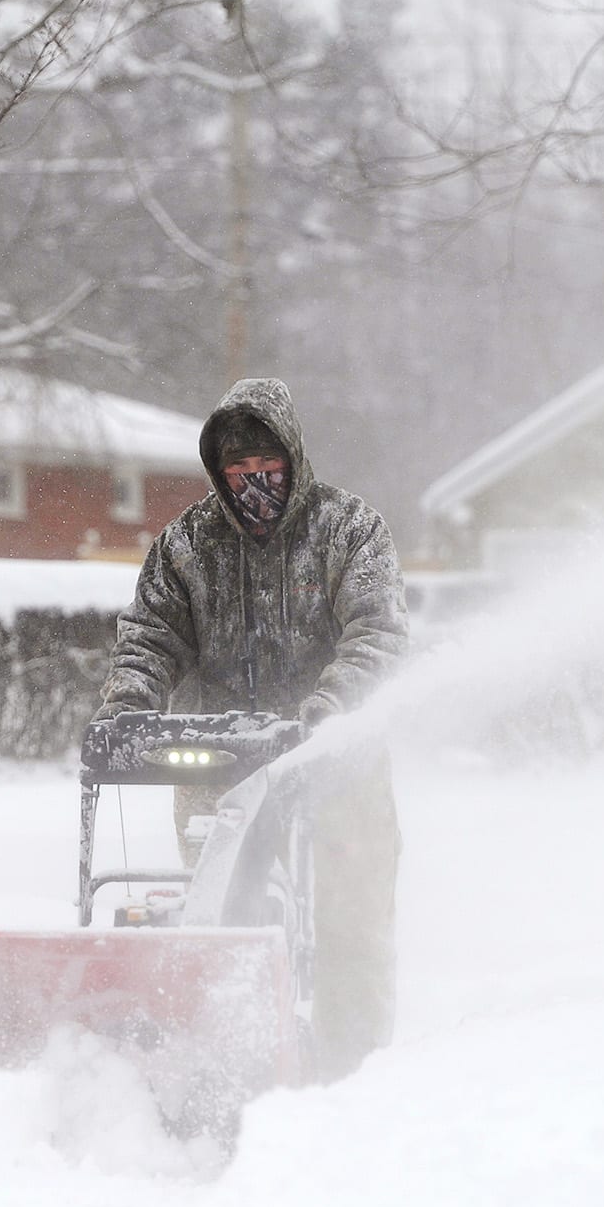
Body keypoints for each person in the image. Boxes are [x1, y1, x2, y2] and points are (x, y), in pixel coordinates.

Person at [94, 377, 408, 1079]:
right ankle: (223, 1054)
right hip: (220, 758)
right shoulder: (188, 547)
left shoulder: (350, 531)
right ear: (217, 470)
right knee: (218, 916)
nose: (252, 483)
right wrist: (129, 703)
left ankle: (349, 1069)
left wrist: (329, 708)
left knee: (350, 919)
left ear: (292, 459)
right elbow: (148, 635)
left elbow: (377, 635)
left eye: (265, 468)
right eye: (236, 471)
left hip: (337, 753)